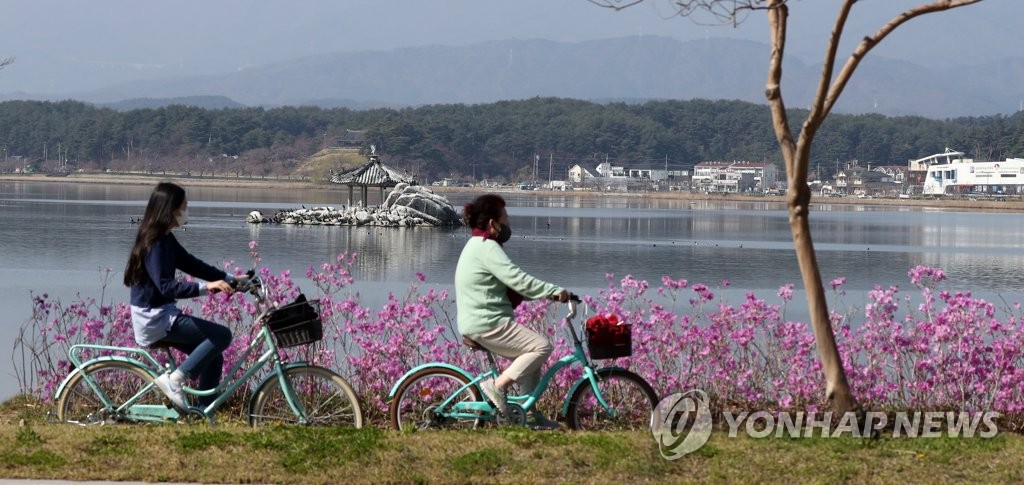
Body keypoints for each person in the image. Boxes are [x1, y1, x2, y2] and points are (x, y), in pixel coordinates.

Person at [455, 194, 569, 430]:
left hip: (483, 321)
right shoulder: (486, 247)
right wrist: (555, 290)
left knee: (531, 359)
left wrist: (549, 294)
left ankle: (529, 415)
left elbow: (514, 285)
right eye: (505, 219)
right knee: (542, 346)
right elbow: (518, 280)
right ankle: (498, 386)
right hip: (487, 322)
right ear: (492, 223)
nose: (508, 224)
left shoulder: (478, 245)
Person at [124, 182, 234, 410]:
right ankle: (175, 380)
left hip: (160, 314)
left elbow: (191, 264)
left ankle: (204, 412)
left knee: (213, 357)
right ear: (171, 209)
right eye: (184, 206)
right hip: (154, 318)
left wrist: (230, 278)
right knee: (222, 335)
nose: (186, 210)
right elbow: (167, 287)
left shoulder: (165, 239)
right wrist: (206, 287)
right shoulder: (155, 244)